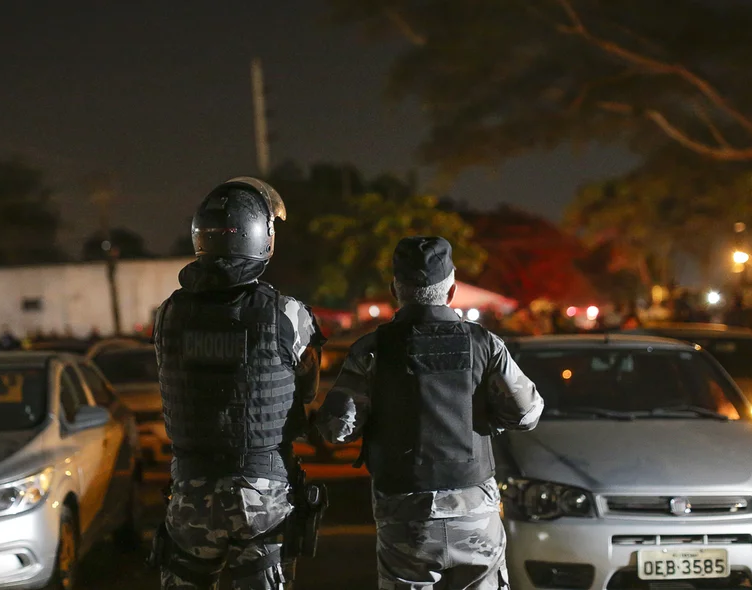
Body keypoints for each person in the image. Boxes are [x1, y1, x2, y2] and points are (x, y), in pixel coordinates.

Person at [316, 236, 544, 590]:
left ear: (396, 289)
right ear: (451, 290)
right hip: (474, 514)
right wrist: (487, 419)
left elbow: (337, 430)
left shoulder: (372, 349)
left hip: (406, 516)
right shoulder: (484, 343)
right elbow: (527, 414)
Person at [151, 177, 325, 590]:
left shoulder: (168, 314)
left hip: (189, 490)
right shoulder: (286, 314)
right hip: (260, 494)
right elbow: (309, 388)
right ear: (259, 237)